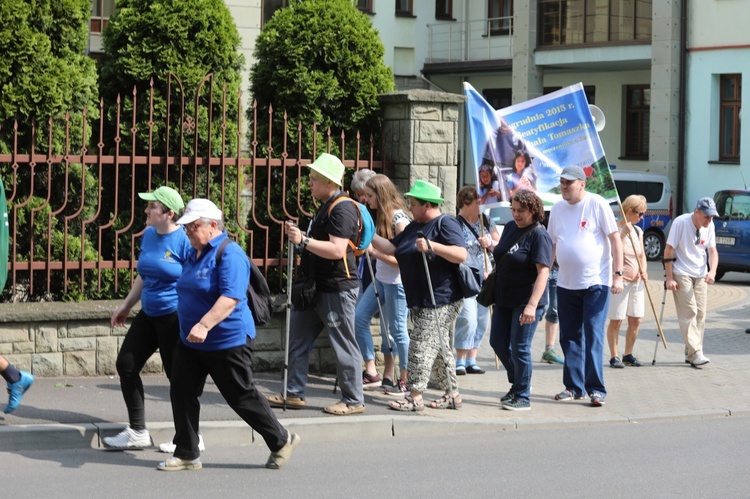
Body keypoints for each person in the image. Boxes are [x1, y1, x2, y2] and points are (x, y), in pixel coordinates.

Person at [160, 198, 299, 471]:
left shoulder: (230, 253)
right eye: (186, 226)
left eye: (193, 225)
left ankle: (281, 440)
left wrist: (203, 325)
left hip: (226, 340)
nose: (187, 230)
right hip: (191, 340)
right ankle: (187, 452)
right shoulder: (193, 251)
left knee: (240, 396)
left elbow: (231, 297)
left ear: (213, 226)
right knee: (182, 391)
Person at [266, 153, 365, 415]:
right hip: (316, 288)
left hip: (336, 288)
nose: (309, 184)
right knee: (297, 337)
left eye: (313, 179)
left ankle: (353, 400)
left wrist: (303, 240)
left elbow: (336, 250)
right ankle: (294, 392)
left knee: (343, 343)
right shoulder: (327, 205)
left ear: (329, 182)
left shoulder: (342, 208)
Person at [103, 186, 198, 451]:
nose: (146, 210)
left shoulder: (183, 240)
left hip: (174, 316)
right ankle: (137, 432)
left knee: (177, 377)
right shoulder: (148, 234)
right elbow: (144, 275)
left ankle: (192, 437)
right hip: (149, 314)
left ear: (168, 213)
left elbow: (195, 278)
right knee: (126, 364)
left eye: (152, 207)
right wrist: (126, 306)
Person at [370, 180, 467, 412]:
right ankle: (452, 394)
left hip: (441, 299)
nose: (409, 208)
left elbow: (460, 254)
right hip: (420, 298)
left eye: (413, 204)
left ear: (427, 205)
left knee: (420, 346)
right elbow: (393, 248)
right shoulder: (414, 226)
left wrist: (432, 246)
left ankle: (415, 396)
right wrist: (368, 235)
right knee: (439, 350)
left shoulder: (446, 224)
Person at [547, 166, 623, 407]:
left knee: (593, 333)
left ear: (582, 184)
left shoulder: (597, 203)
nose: (564, 186)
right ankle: (573, 387)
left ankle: (596, 389)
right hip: (566, 282)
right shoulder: (557, 209)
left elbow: (614, 239)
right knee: (569, 337)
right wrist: (545, 272)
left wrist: (618, 275)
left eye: (569, 182)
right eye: (561, 182)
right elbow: (552, 244)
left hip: (596, 282)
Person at [489, 189, 552, 411]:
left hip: (526, 301)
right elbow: (504, 254)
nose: (515, 215)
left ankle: (522, 395)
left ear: (533, 211)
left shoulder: (539, 235)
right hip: (504, 297)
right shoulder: (510, 228)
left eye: (521, 211)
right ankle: (520, 382)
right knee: (497, 342)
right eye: (513, 210)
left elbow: (543, 272)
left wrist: (532, 306)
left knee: (520, 348)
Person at [355, 174, 411, 395]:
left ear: (381, 194)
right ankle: (372, 370)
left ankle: (405, 379)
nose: (367, 200)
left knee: (398, 330)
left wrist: (375, 253)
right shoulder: (379, 216)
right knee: (359, 318)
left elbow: (403, 261)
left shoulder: (400, 220)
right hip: (381, 279)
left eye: (370, 196)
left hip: (396, 283)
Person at [664, 197, 719, 368]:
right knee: (689, 312)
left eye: (712, 217)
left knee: (701, 314)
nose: (709, 220)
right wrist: (670, 278)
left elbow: (712, 252)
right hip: (682, 272)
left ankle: (691, 353)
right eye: (706, 216)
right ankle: (696, 353)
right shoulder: (680, 223)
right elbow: (668, 250)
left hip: (700, 274)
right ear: (696, 212)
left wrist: (712, 271)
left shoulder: (710, 226)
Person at [454, 185, 500, 375]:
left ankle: (472, 359)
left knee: (482, 321)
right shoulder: (455, 223)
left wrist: (489, 243)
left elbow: (500, 246)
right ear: (466, 203)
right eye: (477, 202)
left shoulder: (486, 221)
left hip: (486, 278)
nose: (481, 205)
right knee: (468, 318)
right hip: (466, 279)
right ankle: (460, 360)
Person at [606, 195, 649, 368]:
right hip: (621, 281)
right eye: (640, 213)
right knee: (617, 320)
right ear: (629, 211)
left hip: (637, 282)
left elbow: (642, 255)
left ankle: (628, 354)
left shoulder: (638, 231)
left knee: (636, 319)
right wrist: (623, 232)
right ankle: (614, 356)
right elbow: (615, 252)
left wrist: (644, 270)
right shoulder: (615, 230)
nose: (642, 217)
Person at [540, 259, 564, 365]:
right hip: (542, 267)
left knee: (555, 311)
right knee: (541, 308)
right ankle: (520, 347)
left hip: (558, 270)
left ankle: (549, 350)